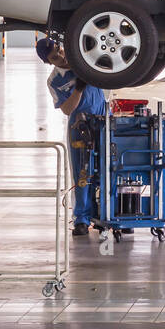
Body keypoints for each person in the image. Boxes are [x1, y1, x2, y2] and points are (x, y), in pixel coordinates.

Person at [37, 37, 107, 235]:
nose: (60, 55)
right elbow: (67, 109)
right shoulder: (54, 81)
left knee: (106, 168)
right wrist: (78, 88)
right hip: (79, 127)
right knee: (83, 174)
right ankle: (82, 220)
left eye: (59, 49)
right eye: (54, 57)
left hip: (103, 121)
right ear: (48, 62)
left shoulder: (84, 60)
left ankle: (105, 215)